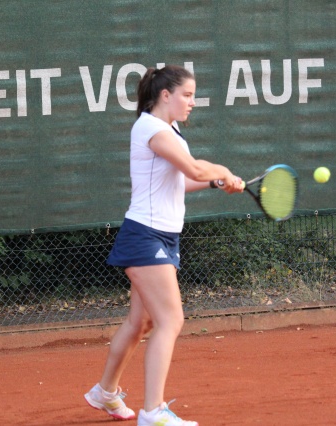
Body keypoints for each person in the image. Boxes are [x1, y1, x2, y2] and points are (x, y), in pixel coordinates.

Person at [84, 65, 243, 426]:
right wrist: (220, 170)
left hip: (162, 236)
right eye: (187, 95)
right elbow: (194, 168)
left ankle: (105, 392)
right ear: (165, 95)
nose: (192, 102)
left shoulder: (169, 132)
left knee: (140, 322)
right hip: (146, 236)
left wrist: (217, 182)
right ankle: (153, 411)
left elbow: (180, 181)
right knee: (171, 320)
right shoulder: (151, 128)